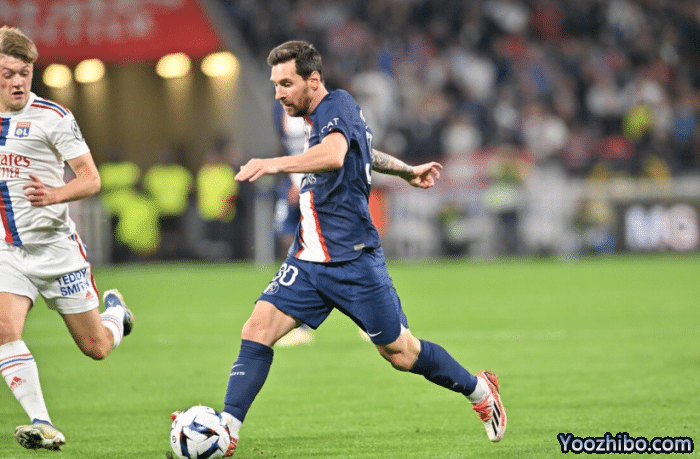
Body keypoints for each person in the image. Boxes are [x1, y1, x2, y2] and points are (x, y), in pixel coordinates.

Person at [173, 40, 507, 456]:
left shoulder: (338, 105)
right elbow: (362, 150)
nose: (278, 93)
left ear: (313, 80)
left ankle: (479, 390)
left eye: (286, 84)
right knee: (257, 329)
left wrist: (272, 164)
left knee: (401, 353)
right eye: (275, 84)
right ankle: (227, 431)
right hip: (308, 259)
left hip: (353, 262)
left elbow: (334, 155)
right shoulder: (316, 117)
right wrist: (405, 170)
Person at [0, 26, 134, 451]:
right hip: (8, 251)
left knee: (96, 347)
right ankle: (42, 423)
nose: (18, 82)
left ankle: (117, 316)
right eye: (8, 74)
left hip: (56, 250)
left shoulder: (52, 117)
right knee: (3, 329)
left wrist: (54, 195)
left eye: (24, 73)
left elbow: (91, 179)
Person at [271, 99, 314, 347]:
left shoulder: (320, 105)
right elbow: (286, 146)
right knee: (290, 246)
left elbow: (323, 150)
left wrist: (303, 181)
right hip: (290, 181)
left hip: (316, 181)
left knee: (337, 252)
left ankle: (371, 320)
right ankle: (299, 326)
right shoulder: (277, 109)